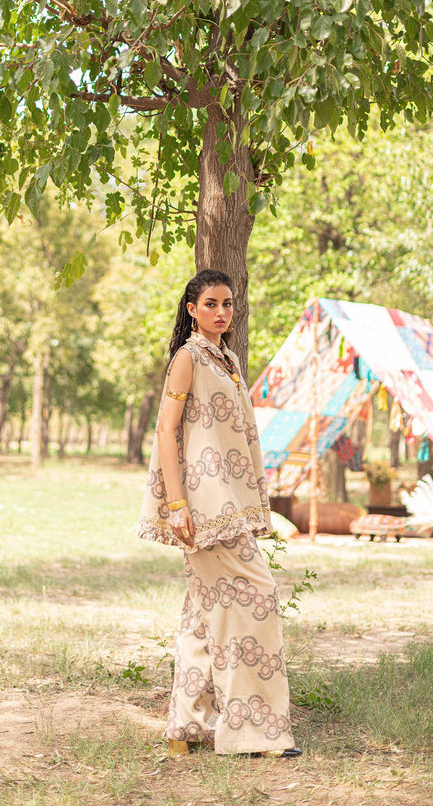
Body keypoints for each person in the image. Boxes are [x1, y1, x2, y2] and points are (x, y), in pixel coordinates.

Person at [138, 269, 301, 759]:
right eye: (211, 304)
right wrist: (176, 505)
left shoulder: (226, 358)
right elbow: (166, 431)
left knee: (201, 617)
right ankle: (256, 732)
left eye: (227, 304)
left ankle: (184, 730)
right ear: (192, 310)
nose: (221, 312)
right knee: (257, 598)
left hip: (229, 503)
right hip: (203, 509)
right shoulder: (187, 358)